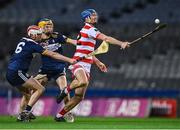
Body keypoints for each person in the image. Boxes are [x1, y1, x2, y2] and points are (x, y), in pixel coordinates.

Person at [54, 9, 129, 122]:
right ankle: (65, 91)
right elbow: (106, 38)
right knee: (83, 81)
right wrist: (121, 43)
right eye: (92, 15)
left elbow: (88, 51)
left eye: (95, 15)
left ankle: (59, 115)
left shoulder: (87, 30)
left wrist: (98, 62)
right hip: (78, 62)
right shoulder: (89, 29)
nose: (95, 16)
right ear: (86, 18)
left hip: (87, 64)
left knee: (79, 96)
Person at [6, 25, 76, 122]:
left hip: (11, 71)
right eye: (39, 34)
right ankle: (26, 113)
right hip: (17, 72)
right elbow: (52, 54)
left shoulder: (23, 40)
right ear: (33, 36)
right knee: (40, 89)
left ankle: (21, 116)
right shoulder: (33, 45)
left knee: (27, 94)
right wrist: (69, 60)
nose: (41, 36)